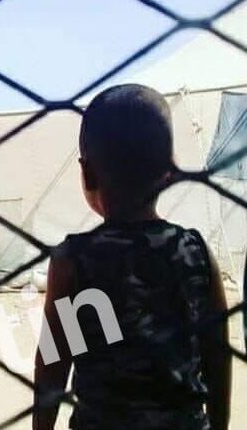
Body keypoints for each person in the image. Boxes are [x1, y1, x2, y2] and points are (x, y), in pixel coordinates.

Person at [33, 84, 232, 430]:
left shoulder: (74, 261)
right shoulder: (194, 252)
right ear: (169, 172)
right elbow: (217, 359)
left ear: (87, 173)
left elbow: (54, 365)